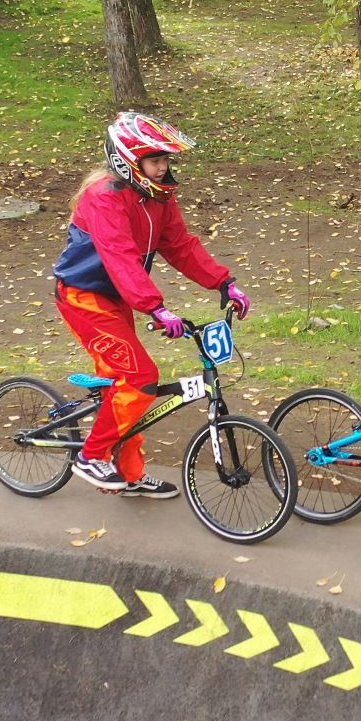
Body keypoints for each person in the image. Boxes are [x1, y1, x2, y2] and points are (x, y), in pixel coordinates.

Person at [52, 112, 252, 497]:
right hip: (84, 297)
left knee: (125, 384)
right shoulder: (104, 198)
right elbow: (120, 256)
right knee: (139, 377)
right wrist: (155, 307)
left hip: (117, 297)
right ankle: (91, 456)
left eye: (166, 160)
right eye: (155, 160)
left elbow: (180, 245)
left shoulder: (159, 197)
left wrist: (224, 283)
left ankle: (128, 474)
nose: (163, 168)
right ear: (128, 160)